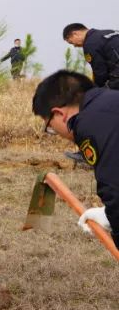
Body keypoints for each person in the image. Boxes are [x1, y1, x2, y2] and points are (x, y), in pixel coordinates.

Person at [32, 70, 119, 243]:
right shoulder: (110, 101)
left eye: (49, 126)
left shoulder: (88, 123)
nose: (54, 131)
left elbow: (114, 185)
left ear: (59, 114)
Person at [62, 23, 119, 89]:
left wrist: (95, 88)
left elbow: (100, 72)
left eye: (71, 42)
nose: (74, 46)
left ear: (75, 34)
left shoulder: (90, 44)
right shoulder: (111, 32)